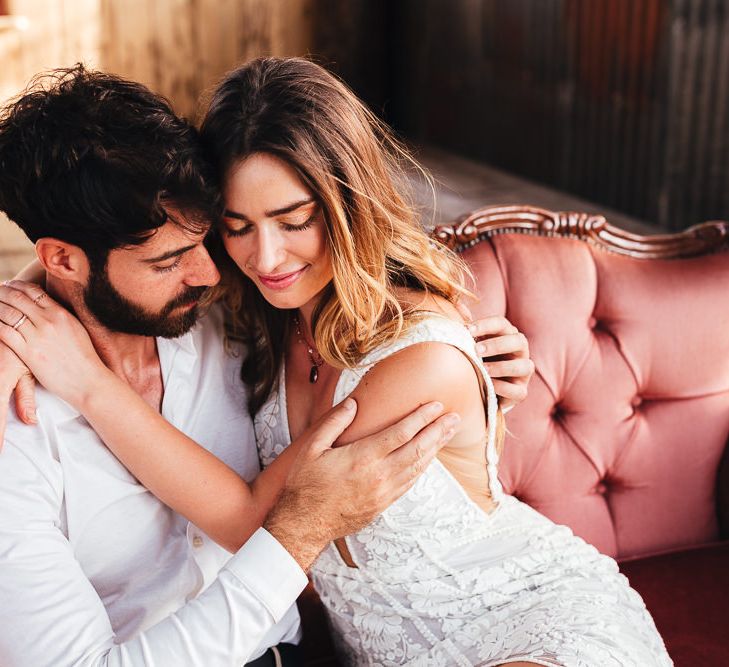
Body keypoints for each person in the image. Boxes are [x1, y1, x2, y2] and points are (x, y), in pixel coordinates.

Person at [1, 57, 671, 666]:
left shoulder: (412, 360)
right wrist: (24, 307)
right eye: (234, 225)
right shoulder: (246, 308)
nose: (261, 257)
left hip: (525, 622)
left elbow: (258, 522)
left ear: (346, 205)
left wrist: (86, 382)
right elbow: (103, 256)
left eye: (294, 220)